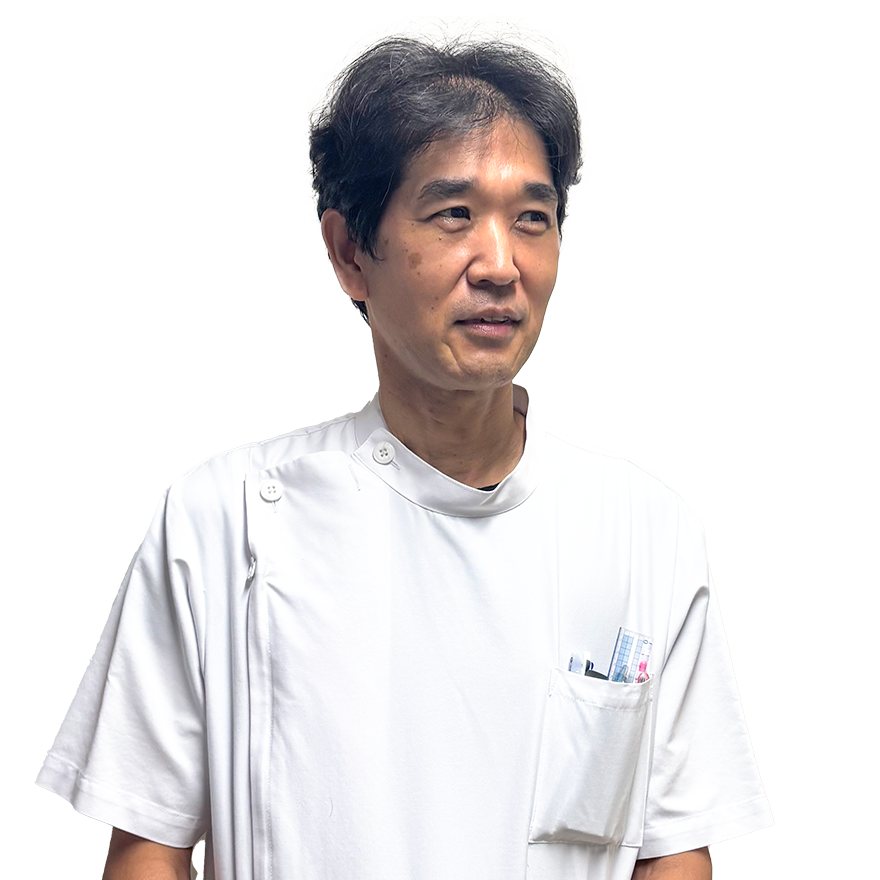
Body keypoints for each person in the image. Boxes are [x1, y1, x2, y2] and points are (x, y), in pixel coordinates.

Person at [36, 19, 772, 880]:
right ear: (350, 253)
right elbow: (147, 850)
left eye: (532, 219)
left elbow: (675, 852)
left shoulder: (646, 530)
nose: (499, 263)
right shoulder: (221, 520)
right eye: (454, 214)